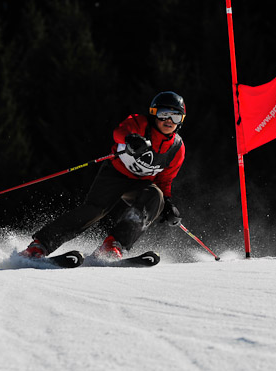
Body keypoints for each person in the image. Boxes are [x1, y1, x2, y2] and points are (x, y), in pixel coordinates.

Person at [19, 91, 186, 260]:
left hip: (140, 185)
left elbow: (165, 179)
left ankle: (113, 245)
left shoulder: (177, 148)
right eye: (164, 114)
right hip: (115, 174)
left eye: (176, 117)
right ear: (153, 113)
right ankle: (40, 245)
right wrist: (130, 139)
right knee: (94, 210)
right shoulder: (140, 123)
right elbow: (119, 132)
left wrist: (168, 203)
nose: (169, 121)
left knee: (156, 196)